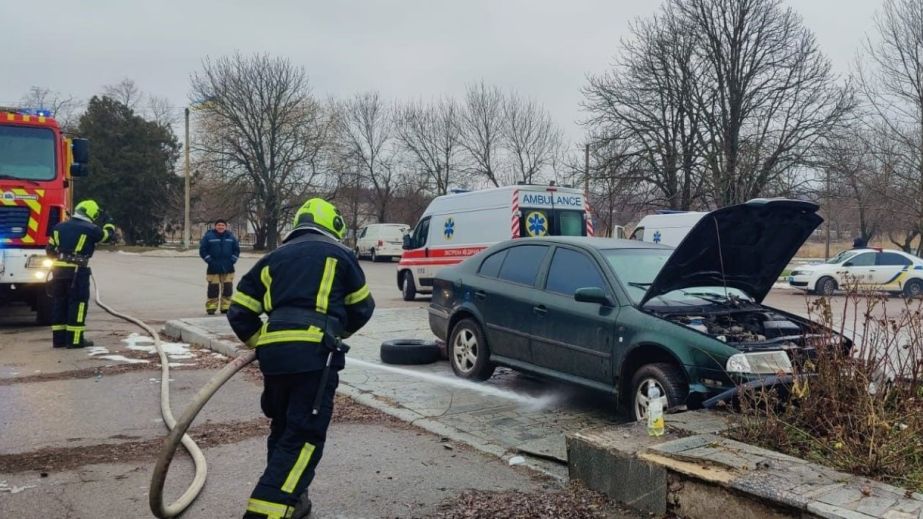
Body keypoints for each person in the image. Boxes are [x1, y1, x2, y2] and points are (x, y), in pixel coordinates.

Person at [227, 198, 375, 519]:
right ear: (333, 225)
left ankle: (294, 503)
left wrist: (264, 344)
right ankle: (265, 511)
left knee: (283, 431)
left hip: (275, 359)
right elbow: (363, 307)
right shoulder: (340, 256)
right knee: (304, 437)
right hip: (315, 358)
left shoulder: (272, 259)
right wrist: (334, 333)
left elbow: (239, 310)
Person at [46, 200, 116, 348]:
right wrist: (109, 223)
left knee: (60, 303)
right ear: (91, 213)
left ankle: (59, 340)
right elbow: (108, 236)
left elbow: (50, 251)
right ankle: (75, 340)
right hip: (77, 272)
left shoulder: (58, 227)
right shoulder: (91, 229)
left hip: (58, 272)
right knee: (77, 305)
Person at [199, 219, 241, 315]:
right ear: (215, 226)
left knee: (227, 288)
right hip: (213, 267)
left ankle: (225, 307)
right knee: (213, 288)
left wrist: (232, 261)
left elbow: (236, 250)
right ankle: (211, 307)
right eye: (219, 225)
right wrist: (209, 260)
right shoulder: (208, 237)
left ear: (225, 226)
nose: (221, 227)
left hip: (228, 267)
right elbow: (203, 250)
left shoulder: (231, 237)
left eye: (222, 225)